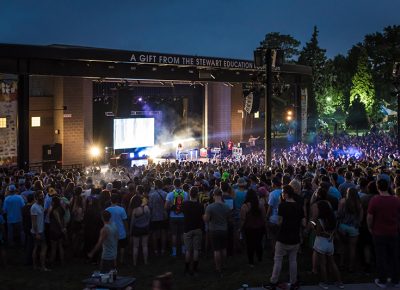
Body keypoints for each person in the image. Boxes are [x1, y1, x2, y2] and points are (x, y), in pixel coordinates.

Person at [264, 185, 304, 290]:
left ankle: (273, 281)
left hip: (283, 236)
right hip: (295, 236)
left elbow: (280, 221)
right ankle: (293, 281)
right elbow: (303, 221)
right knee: (293, 260)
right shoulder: (299, 206)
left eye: (283, 193)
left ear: (286, 194)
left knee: (278, 260)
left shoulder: (282, 206)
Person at [367, 178, 400, 288]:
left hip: (379, 232)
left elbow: (370, 218)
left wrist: (370, 228)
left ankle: (382, 280)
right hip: (393, 232)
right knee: (394, 256)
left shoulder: (375, 200)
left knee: (381, 257)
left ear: (378, 187)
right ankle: (396, 279)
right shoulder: (396, 200)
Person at [310, 196, 343, 289]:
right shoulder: (333, 219)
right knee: (332, 263)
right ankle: (340, 282)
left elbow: (317, 232)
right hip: (330, 243)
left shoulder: (320, 221)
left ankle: (325, 282)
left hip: (321, 243)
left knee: (323, 264)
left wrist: (312, 223)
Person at [203, 188, 231, 277]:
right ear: (221, 195)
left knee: (216, 250)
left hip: (214, 230)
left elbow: (206, 220)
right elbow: (229, 218)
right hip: (224, 229)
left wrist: (203, 216)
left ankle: (218, 268)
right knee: (223, 249)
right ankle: (224, 265)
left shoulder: (210, 207)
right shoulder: (226, 206)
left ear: (214, 195)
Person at [337, 187, 363, 272]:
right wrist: (358, 223)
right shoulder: (358, 203)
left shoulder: (342, 201)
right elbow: (361, 216)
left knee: (343, 246)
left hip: (343, 226)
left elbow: (339, 214)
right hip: (353, 227)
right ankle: (351, 266)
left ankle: (341, 264)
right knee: (352, 248)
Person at [240, 188, 266, 267]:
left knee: (249, 245)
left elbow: (243, 219)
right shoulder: (260, 204)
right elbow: (264, 216)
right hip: (259, 227)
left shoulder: (245, 206)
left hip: (249, 228)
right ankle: (260, 259)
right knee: (258, 243)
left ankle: (251, 262)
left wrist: (240, 228)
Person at [182, 186, 204, 275]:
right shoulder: (200, 205)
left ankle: (187, 268)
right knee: (196, 250)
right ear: (197, 194)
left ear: (189, 194)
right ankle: (195, 268)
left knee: (188, 250)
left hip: (187, 228)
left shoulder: (185, 204)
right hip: (197, 228)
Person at [165, 178, 188, 256]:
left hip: (173, 216)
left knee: (174, 235)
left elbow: (166, 207)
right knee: (182, 234)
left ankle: (174, 252)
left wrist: (172, 207)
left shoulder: (170, 194)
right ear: (181, 184)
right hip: (182, 216)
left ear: (174, 185)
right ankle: (183, 250)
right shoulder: (185, 194)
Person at [106, 193, 128, 265]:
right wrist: (127, 230)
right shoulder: (121, 209)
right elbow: (125, 221)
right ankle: (121, 260)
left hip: (111, 231)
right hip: (121, 231)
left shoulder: (107, 210)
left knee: (113, 247)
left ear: (110, 200)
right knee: (122, 247)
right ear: (118, 200)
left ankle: (114, 261)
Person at [31, 190, 49, 271]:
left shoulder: (40, 205)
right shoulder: (34, 207)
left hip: (40, 230)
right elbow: (34, 222)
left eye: (42, 195)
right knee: (43, 248)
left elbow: (41, 214)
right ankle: (43, 267)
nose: (42, 197)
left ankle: (35, 266)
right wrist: (37, 233)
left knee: (36, 248)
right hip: (38, 231)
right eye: (40, 196)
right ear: (36, 197)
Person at [148, 179, 168, 255]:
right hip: (163, 216)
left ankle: (156, 250)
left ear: (156, 185)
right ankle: (163, 250)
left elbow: (150, 206)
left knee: (154, 234)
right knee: (163, 233)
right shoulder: (165, 194)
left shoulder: (151, 195)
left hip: (154, 216)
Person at [130, 195, 151, 266]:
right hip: (145, 228)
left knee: (135, 246)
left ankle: (134, 263)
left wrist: (130, 230)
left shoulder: (134, 210)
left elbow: (132, 222)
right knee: (145, 245)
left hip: (136, 228)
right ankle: (145, 261)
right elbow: (149, 218)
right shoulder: (146, 208)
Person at [49, 195, 66, 266]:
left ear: (54, 202)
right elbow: (63, 219)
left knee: (54, 247)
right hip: (59, 230)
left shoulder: (55, 210)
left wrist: (61, 228)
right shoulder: (61, 208)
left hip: (55, 229)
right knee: (60, 246)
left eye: (52, 201)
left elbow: (58, 221)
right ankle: (62, 261)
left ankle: (52, 262)